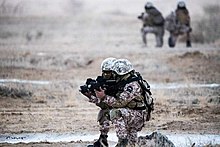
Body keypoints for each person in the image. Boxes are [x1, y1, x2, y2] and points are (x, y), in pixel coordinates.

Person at [95, 59, 148, 147]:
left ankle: (122, 142)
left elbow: (119, 103)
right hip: (133, 113)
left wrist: (104, 97)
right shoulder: (125, 82)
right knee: (132, 143)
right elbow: (107, 105)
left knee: (116, 112)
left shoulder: (132, 85)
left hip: (138, 115)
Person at [80, 57, 117, 147]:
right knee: (104, 112)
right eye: (104, 71)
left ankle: (125, 140)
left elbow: (120, 102)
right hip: (116, 105)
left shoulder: (124, 83)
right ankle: (103, 140)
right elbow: (104, 104)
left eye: (108, 72)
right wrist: (91, 95)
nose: (105, 74)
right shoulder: (104, 82)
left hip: (129, 109)